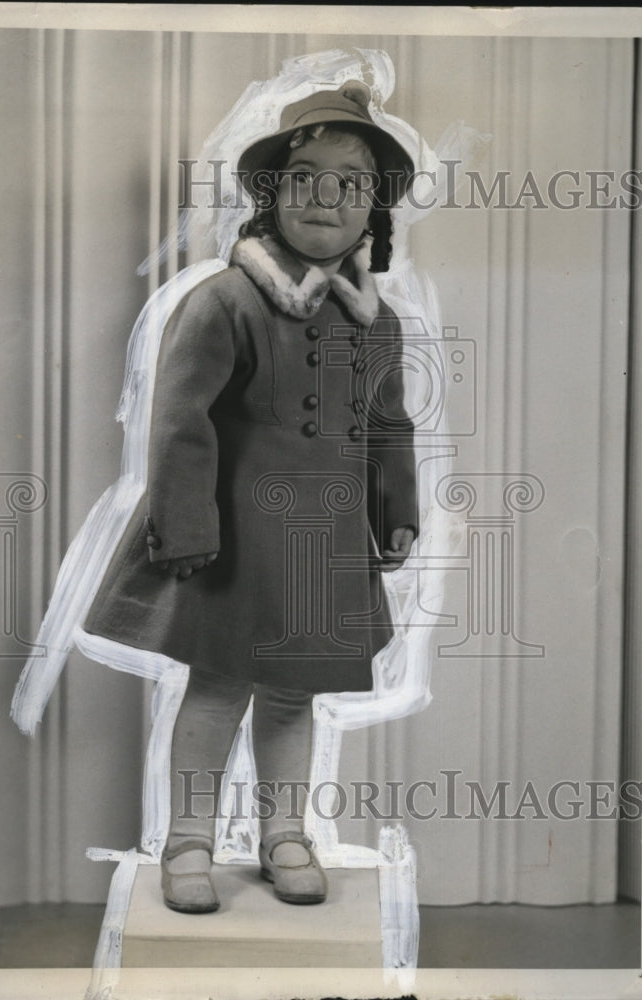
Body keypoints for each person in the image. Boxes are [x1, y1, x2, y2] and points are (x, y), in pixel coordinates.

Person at [83, 80, 419, 913]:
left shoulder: (377, 322)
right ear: (272, 197)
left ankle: (284, 833)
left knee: (294, 694)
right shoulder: (225, 302)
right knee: (217, 687)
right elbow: (179, 420)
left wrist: (395, 510)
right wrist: (185, 524)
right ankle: (188, 842)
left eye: (351, 183)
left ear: (373, 212)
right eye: (307, 178)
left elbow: (388, 421)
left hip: (323, 543)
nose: (327, 198)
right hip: (230, 541)